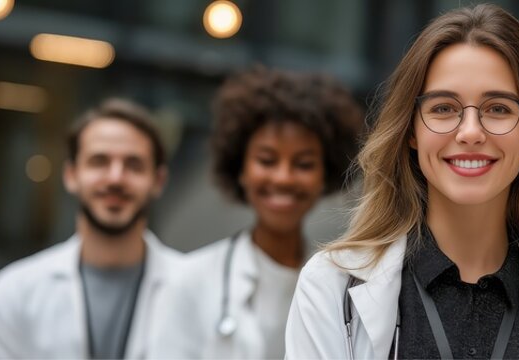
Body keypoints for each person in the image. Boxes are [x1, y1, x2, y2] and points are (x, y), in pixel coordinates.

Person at [284, 4, 519, 359]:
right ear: (412, 131)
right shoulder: (331, 289)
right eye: (444, 108)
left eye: (498, 108)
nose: (471, 132)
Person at [146, 67, 363, 359]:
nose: (283, 178)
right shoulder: (190, 279)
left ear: (325, 175)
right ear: (241, 169)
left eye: (303, 164)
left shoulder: (344, 286)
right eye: (267, 160)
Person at [0, 99, 180, 359]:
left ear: (158, 181)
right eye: (99, 161)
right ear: (71, 175)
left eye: (133, 165)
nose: (115, 178)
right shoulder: (14, 292)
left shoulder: (199, 291)